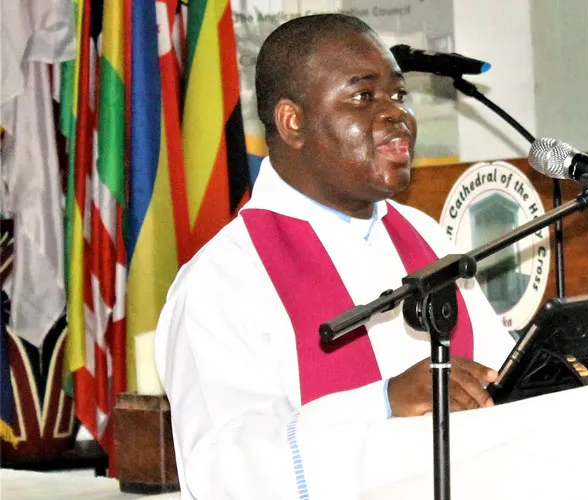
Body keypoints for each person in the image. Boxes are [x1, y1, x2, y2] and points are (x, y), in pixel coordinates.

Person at [154, 14, 514, 499]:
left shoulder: (427, 239)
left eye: (398, 96)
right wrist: (383, 401)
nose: (397, 115)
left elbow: (499, 374)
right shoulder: (224, 279)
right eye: (364, 97)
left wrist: (570, 371)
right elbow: (225, 468)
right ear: (292, 122)